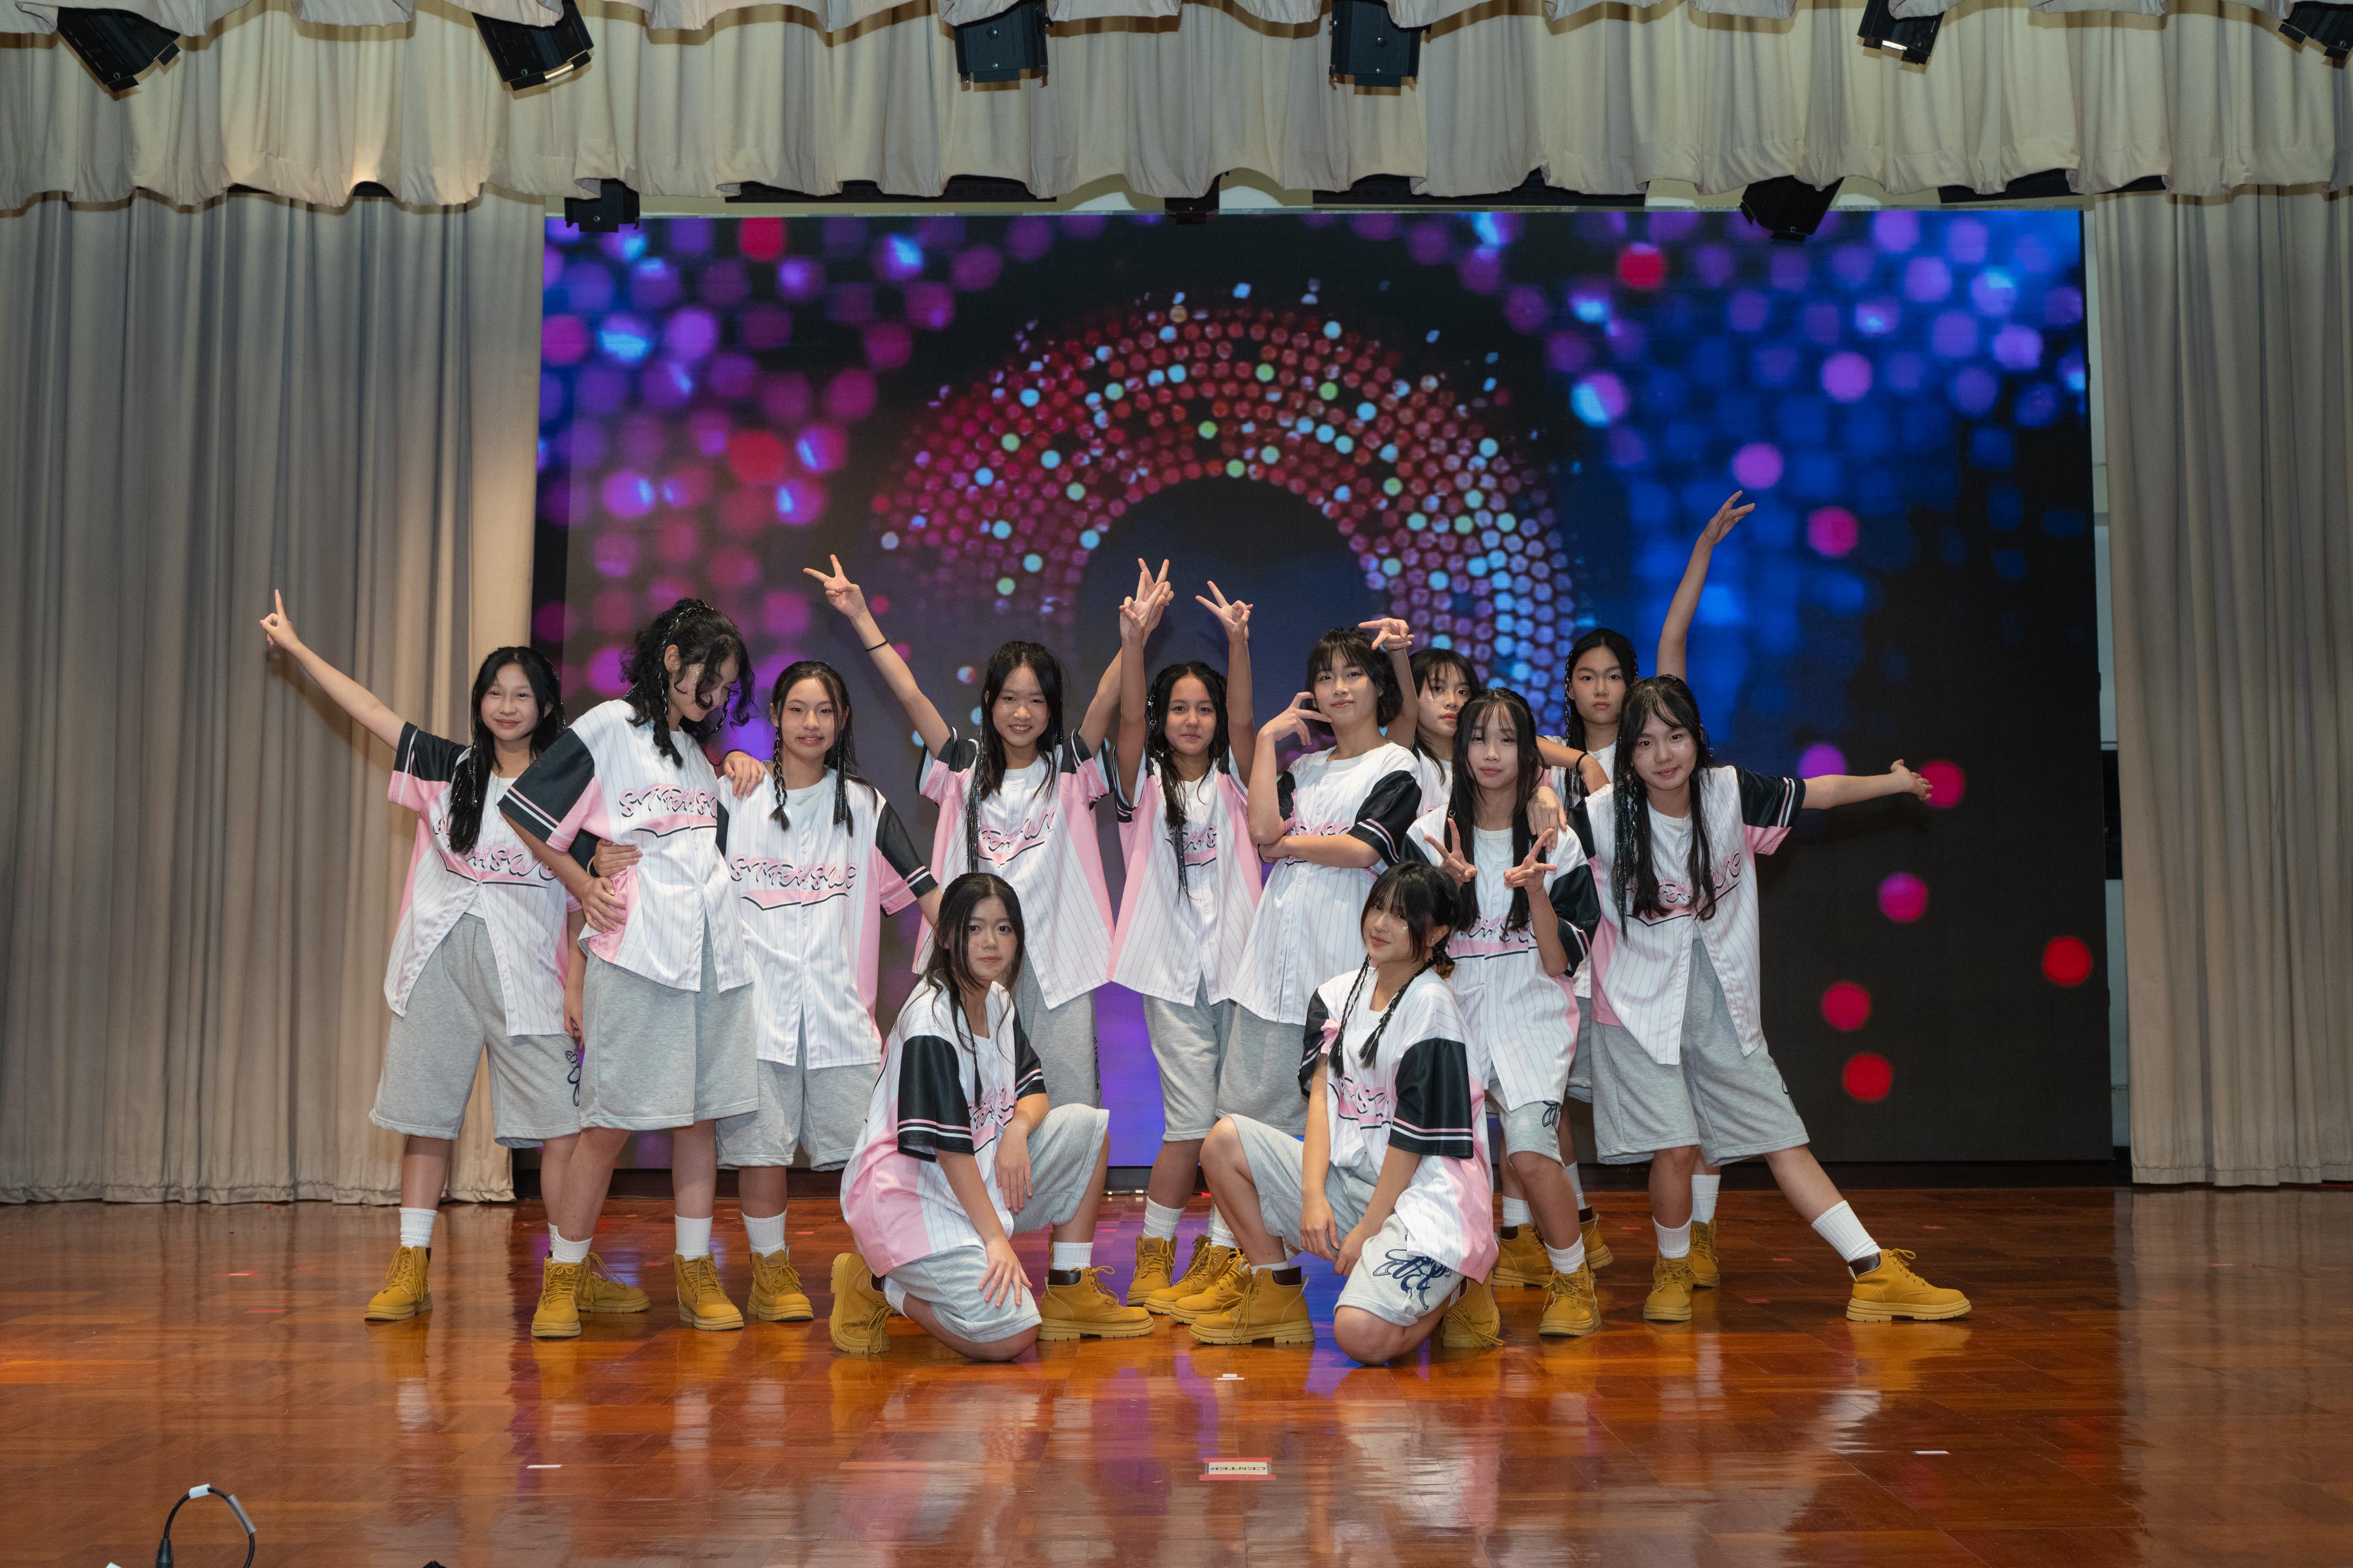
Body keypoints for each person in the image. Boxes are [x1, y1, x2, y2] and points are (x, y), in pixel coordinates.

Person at [257, 594, 645, 1325]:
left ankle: (574, 1267)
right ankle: (411, 1266)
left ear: (546, 706)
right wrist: (300, 650)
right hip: (438, 963)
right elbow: (370, 710)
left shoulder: (570, 789)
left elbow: (582, 898)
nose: (507, 706)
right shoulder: (447, 768)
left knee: (563, 1130)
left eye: (522, 695)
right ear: (479, 703)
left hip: (530, 975)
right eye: (495, 693)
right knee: (427, 1117)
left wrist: (576, 982)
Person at [1581, 675, 1971, 1325]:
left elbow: (1820, 792)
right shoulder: (1600, 817)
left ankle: (1871, 1271)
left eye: (1674, 736)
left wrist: (1894, 782)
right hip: (1633, 1008)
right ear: (1627, 753)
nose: (1662, 754)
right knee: (1674, 1148)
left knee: (1782, 1137)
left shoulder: (1729, 792)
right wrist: (1544, 796)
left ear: (1696, 737)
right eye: (1644, 743)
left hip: (1720, 1000)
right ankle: (1672, 1269)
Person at [593, 659, 940, 1324]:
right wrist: (595, 859)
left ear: (842, 721)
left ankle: (879, 1274)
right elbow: (668, 864)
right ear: (776, 716)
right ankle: (769, 1270)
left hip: (842, 1016)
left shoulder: (863, 806)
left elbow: (923, 891)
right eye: (798, 709)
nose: (812, 723)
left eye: (825, 711)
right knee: (761, 1153)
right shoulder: (734, 797)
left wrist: (977, 949)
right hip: (753, 1012)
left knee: (867, 1156)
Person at [500, 597, 762, 1339]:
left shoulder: (693, 752)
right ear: (672, 660)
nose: (715, 696)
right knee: (608, 1122)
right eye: (708, 678)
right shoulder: (610, 725)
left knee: (699, 1119)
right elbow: (524, 807)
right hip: (637, 952)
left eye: (726, 687)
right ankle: (564, 1276)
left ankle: (694, 1271)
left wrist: (735, 764)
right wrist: (582, 877)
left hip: (711, 956)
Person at [1153, 628, 1421, 1325]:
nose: (1338, 688)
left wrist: (1288, 844)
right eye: (1325, 676)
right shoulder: (1304, 769)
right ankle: (1237, 1267)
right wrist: (1270, 742)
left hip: (1338, 980)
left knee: (1332, 1129)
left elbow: (1362, 848)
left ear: (1377, 687)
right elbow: (1259, 830)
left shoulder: (1399, 765)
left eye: (1352, 674)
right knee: (1237, 1124)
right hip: (1268, 970)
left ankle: (1291, 1275)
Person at [806, 555, 1126, 1111]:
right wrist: (859, 615)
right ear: (989, 703)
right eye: (1009, 698)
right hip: (973, 959)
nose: (1022, 712)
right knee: (972, 1106)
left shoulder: (1071, 770)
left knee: (1070, 1111)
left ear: (1052, 710)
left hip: (1059, 964)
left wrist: (1134, 636)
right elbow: (911, 695)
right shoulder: (961, 767)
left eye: (1036, 700)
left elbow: (1104, 700)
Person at [830, 874, 1156, 1359]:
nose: (990, 942)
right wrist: (995, 1240)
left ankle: (1070, 1288)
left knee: (1087, 1130)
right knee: (1012, 1334)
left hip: (970, 1178)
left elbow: (1035, 1092)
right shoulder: (930, 1021)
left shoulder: (997, 1000)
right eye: (975, 928)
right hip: (908, 1199)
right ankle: (879, 1285)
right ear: (946, 935)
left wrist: (1017, 1131)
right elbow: (949, 1151)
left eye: (1003, 928)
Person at [1191, 861, 1499, 1362]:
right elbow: (1320, 1099)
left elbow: (1411, 1139)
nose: (1380, 923)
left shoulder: (1432, 1006)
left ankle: (1459, 1284)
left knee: (1358, 1334)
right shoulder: (1336, 994)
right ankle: (1275, 1291)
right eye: (1377, 907)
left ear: (1436, 933)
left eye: (1401, 916)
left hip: (1425, 1198)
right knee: (1224, 1142)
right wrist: (1313, 1197)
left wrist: (1368, 1229)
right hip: (1353, 1182)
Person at [1408, 689, 1605, 1338]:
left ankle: (1572, 1278)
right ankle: (1472, 1292)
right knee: (1455, 1164)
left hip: (1532, 1014)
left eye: (1506, 739)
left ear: (1528, 753)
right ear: (1459, 749)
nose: (1490, 753)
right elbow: (1408, 952)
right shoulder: (1428, 835)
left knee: (1527, 1149)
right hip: (1451, 1017)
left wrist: (1537, 891)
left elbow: (1558, 961)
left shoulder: (1559, 841)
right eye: (1477, 738)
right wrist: (1445, 890)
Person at [1105, 579, 1264, 1307]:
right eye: (1178, 708)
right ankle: (1153, 1255)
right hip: (1170, 976)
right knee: (1188, 1125)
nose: (1192, 719)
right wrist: (1134, 642)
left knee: (1234, 1125)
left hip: (1238, 971)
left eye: (1203, 707)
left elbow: (1245, 721)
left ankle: (1223, 1259)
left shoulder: (1238, 781)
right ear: (1160, 718)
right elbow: (1125, 724)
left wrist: (1237, 642)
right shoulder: (1140, 786)